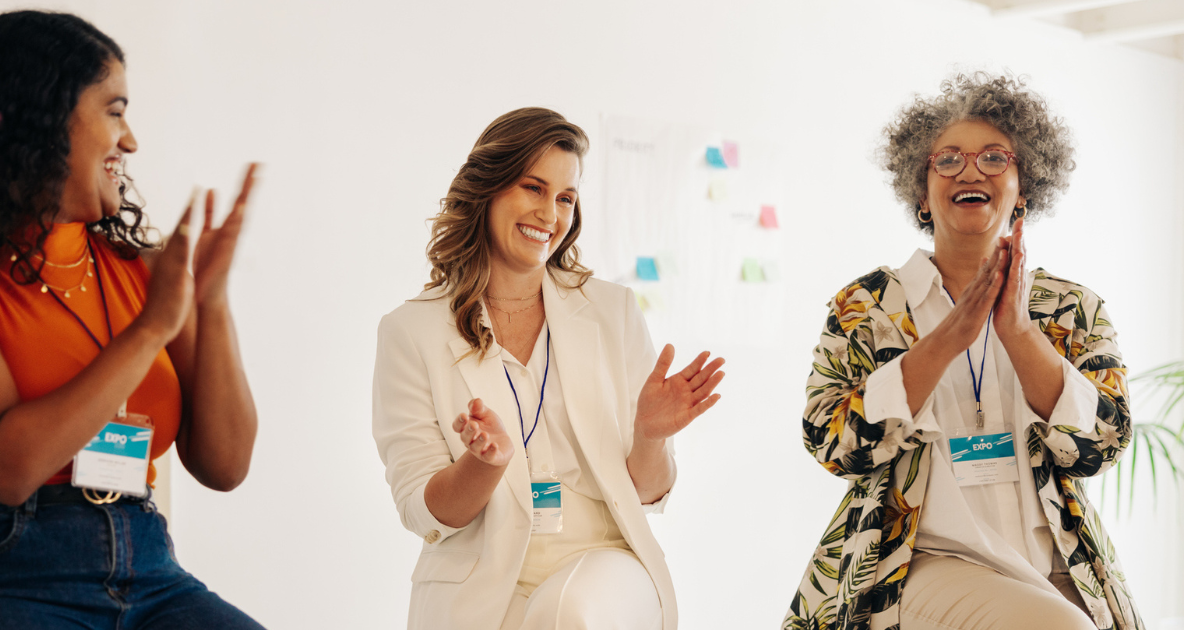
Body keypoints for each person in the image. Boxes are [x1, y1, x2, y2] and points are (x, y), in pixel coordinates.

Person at [784, 73, 1142, 630]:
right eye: (947, 160)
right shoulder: (867, 306)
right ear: (921, 192)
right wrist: (949, 337)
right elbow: (831, 443)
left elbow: (1101, 445)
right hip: (920, 559)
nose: (970, 170)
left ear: (1024, 189)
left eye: (995, 158)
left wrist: (1020, 334)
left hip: (1053, 562)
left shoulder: (1072, 308)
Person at [372, 107, 724, 630]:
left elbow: (648, 493)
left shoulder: (612, 312)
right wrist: (484, 464)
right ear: (486, 190)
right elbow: (421, 512)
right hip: (479, 587)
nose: (549, 214)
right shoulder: (411, 332)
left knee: (568, 614)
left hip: (602, 566)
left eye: (565, 198)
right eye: (533, 188)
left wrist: (649, 435)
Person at [0, 11, 263, 629]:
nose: (131, 140)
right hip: (20, 574)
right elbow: (10, 473)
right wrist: (149, 332)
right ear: (40, 118)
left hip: (149, 570)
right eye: (114, 111)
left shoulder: (146, 274)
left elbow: (225, 467)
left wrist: (211, 303)